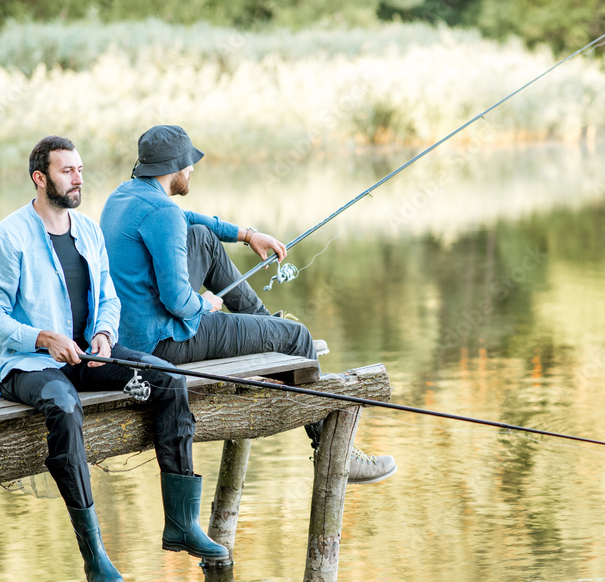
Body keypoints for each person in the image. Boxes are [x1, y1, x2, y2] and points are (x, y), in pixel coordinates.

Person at [0, 136, 230, 582]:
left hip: (92, 355)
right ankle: (94, 551)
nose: (78, 178)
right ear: (40, 178)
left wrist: (104, 335)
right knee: (64, 404)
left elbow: (108, 297)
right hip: (29, 366)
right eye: (66, 171)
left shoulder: (88, 231)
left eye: (80, 169)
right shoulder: (4, 239)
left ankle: (181, 524)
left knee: (169, 379)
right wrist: (42, 337)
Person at [100, 125, 396, 484]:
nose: (192, 168)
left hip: (132, 334)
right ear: (174, 166)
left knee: (203, 238)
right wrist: (205, 305)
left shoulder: (124, 196)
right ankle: (338, 457)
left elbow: (190, 220)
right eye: (189, 162)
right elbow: (178, 300)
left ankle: (265, 325)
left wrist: (247, 234)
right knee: (298, 337)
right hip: (165, 342)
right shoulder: (163, 213)